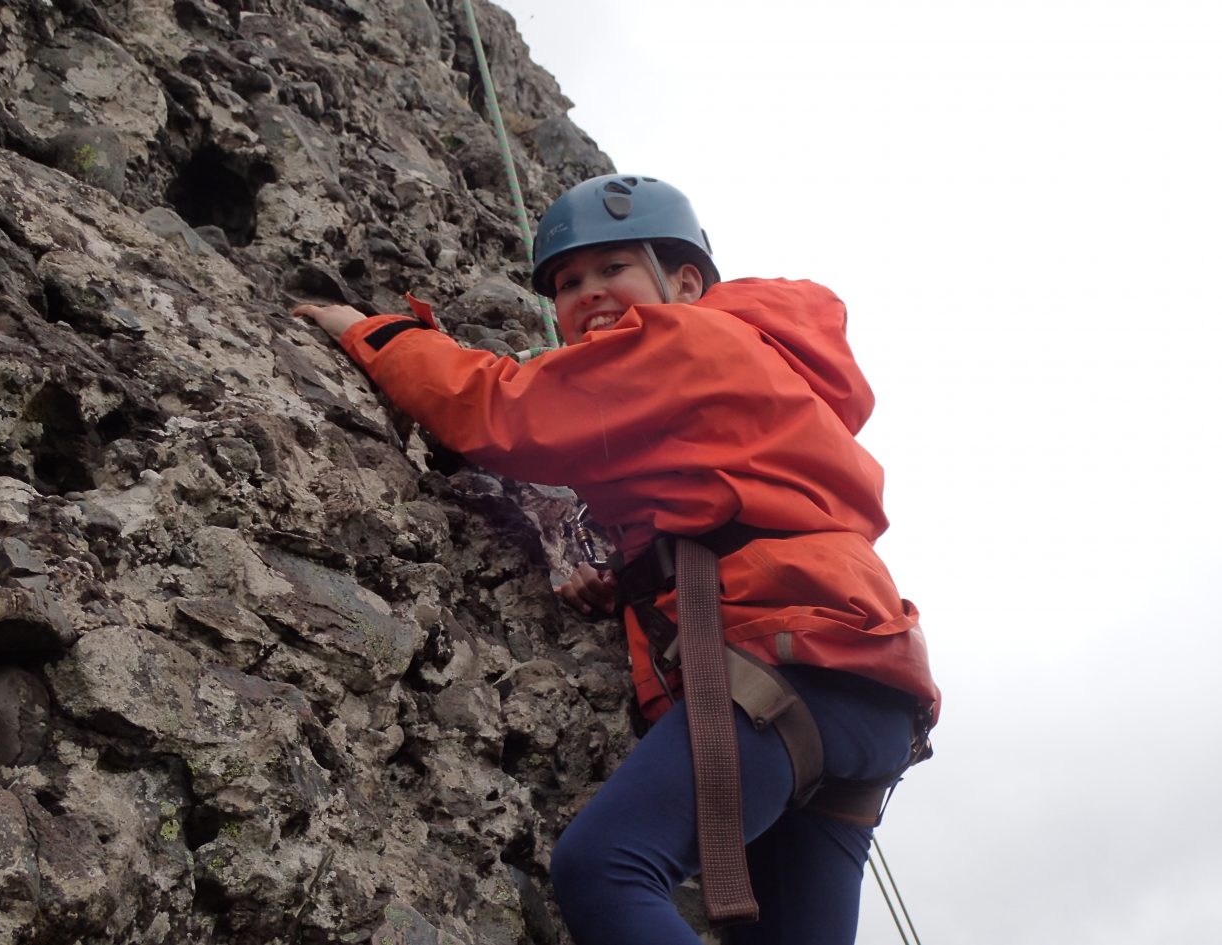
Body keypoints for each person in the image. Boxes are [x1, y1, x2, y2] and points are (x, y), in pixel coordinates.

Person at [294, 174, 940, 945]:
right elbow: (724, 510)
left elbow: (502, 410)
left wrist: (375, 333)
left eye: (613, 268)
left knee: (607, 867)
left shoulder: (683, 340)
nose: (590, 292)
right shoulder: (765, 362)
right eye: (569, 283)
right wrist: (636, 582)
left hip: (793, 665)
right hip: (869, 691)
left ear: (686, 283)